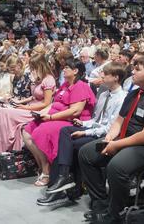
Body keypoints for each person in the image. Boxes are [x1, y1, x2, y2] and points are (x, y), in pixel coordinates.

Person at [78, 54, 144, 223]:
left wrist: (117, 145)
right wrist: (109, 138)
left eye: (137, 69)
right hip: (126, 141)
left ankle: (116, 214)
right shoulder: (134, 94)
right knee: (86, 153)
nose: (132, 71)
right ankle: (101, 203)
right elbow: (119, 121)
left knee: (117, 165)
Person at [37, 62, 127, 206]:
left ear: (116, 77)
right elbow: (96, 119)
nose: (101, 75)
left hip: (105, 136)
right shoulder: (104, 94)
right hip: (94, 129)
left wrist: (85, 132)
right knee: (65, 132)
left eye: (105, 73)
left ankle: (61, 185)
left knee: (68, 145)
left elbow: (109, 128)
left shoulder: (122, 98)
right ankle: (63, 177)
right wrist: (83, 124)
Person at [22, 58, 96, 187]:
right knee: (27, 130)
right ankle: (42, 166)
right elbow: (54, 104)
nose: (64, 69)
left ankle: (47, 171)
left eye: (67, 67)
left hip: (73, 122)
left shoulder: (80, 86)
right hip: (56, 116)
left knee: (40, 131)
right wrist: (42, 113)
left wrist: (51, 118)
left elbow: (75, 111)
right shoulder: (65, 85)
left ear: (75, 71)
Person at [0, 53, 56, 160]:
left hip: (38, 112)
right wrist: (20, 103)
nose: (32, 69)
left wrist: (25, 107)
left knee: (4, 112)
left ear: (41, 65)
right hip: (30, 107)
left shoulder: (48, 80)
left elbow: (46, 103)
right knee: (3, 111)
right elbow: (33, 97)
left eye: (34, 66)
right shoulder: (40, 78)